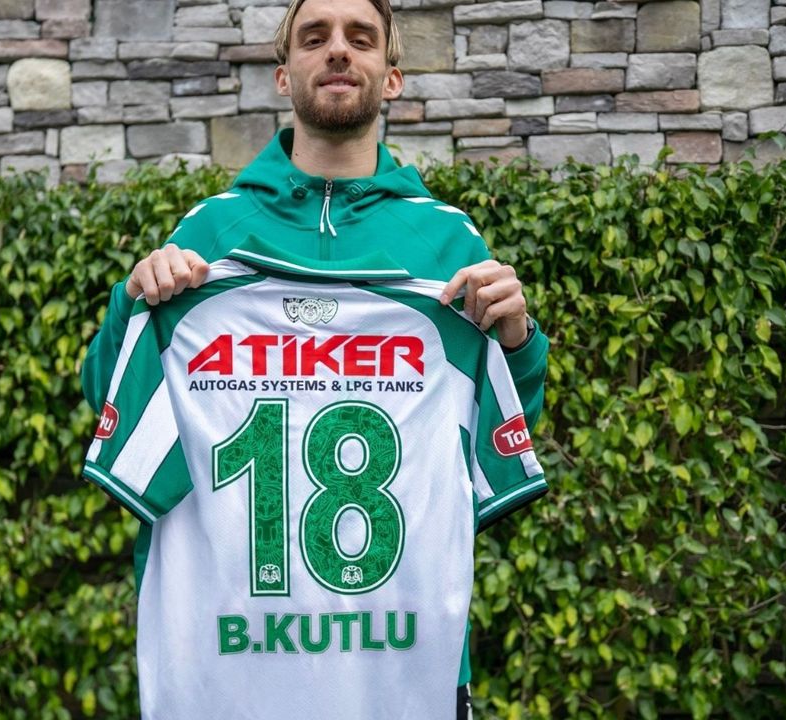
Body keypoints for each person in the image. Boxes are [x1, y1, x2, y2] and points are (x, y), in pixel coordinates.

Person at [81, 0, 549, 716]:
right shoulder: (211, 230)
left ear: (391, 77)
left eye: (360, 38)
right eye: (314, 37)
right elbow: (107, 397)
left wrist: (518, 341)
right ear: (283, 74)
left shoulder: (448, 243)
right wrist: (134, 301)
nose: (338, 51)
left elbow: (500, 432)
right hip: (224, 674)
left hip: (399, 676)